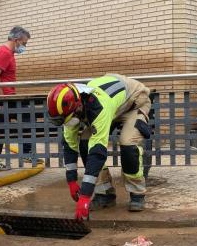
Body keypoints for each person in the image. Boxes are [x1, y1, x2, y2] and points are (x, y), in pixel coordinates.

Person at [46, 74, 152, 220]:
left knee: (128, 144)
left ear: (78, 108)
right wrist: (71, 180)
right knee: (84, 143)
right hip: (114, 105)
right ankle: (105, 193)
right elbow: (70, 146)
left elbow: (97, 152)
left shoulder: (98, 106)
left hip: (135, 102)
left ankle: (137, 193)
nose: (67, 124)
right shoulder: (69, 108)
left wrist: (84, 195)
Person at [0, 26, 31, 172]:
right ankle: (26, 152)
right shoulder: (5, 53)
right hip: (3, 99)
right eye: (24, 43)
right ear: (16, 40)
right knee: (27, 116)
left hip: (4, 98)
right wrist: (2, 99)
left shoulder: (7, 53)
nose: (24, 47)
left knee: (0, 130)